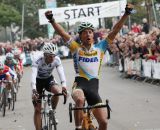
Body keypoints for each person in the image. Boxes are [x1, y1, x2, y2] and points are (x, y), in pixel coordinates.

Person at [45, 3, 134, 130]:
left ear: (93, 35)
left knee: (103, 123)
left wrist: (126, 14)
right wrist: (52, 20)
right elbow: (63, 33)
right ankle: (77, 127)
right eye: (85, 32)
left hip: (93, 88)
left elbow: (115, 30)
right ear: (80, 36)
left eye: (90, 32)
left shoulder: (100, 47)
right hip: (79, 85)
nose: (88, 34)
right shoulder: (76, 48)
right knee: (80, 101)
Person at [31, 42, 68, 130]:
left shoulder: (57, 60)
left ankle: (53, 111)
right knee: (38, 109)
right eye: (50, 56)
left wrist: (64, 86)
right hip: (37, 81)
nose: (52, 58)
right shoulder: (37, 60)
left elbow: (61, 73)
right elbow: (33, 75)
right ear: (45, 55)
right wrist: (33, 89)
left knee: (57, 91)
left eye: (54, 55)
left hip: (48, 79)